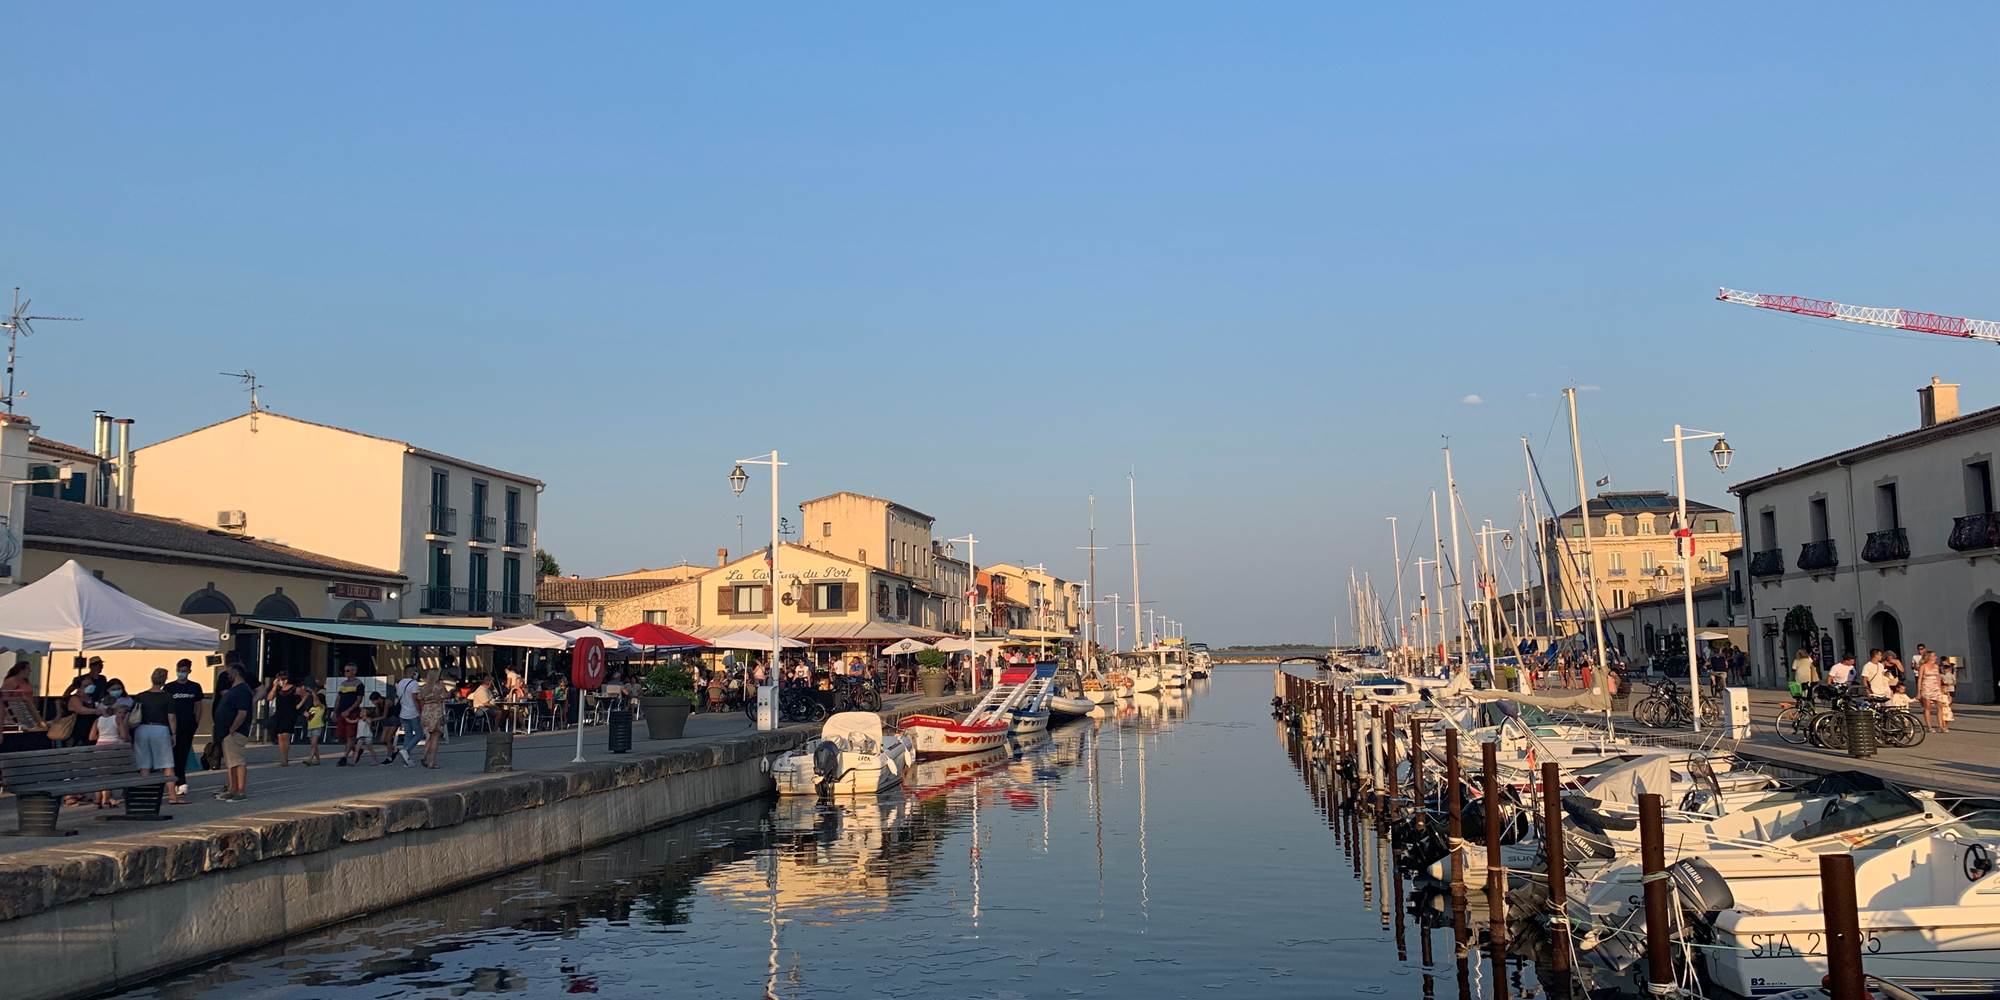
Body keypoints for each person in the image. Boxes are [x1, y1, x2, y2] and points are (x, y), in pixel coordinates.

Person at [134, 668, 185, 805]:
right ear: (164, 680)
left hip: (142, 729)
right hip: (160, 729)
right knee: (167, 765)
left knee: (144, 765)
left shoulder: (141, 696)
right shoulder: (167, 697)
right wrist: (173, 733)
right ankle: (172, 796)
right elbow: (171, 716)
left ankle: (146, 795)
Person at [164, 659, 205, 796]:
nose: (181, 673)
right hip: (172, 726)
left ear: (189, 671)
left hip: (188, 725)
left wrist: (196, 723)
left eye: (184, 670)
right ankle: (176, 781)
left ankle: (180, 781)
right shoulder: (169, 687)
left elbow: (199, 706)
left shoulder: (195, 687)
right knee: (173, 755)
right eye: (179, 670)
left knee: (183, 754)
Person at [214, 666, 256, 801]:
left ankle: (240, 791)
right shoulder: (235, 690)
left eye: (229, 673)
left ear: (236, 673)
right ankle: (232, 788)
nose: (227, 676)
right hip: (227, 732)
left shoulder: (242, 690)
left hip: (235, 732)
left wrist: (233, 728)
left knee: (238, 761)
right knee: (231, 762)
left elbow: (242, 712)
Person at [384, 667, 419, 765]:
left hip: (403, 712)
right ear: (412, 673)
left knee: (408, 734)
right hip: (412, 712)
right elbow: (415, 699)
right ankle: (406, 750)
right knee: (419, 734)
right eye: (415, 671)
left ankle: (406, 760)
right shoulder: (414, 683)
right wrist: (419, 711)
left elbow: (398, 697)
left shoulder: (400, 683)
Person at [333, 663, 366, 766]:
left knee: (350, 735)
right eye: (345, 670)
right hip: (341, 712)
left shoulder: (359, 684)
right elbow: (338, 698)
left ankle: (344, 757)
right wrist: (335, 711)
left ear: (354, 671)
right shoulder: (343, 684)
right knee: (341, 735)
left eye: (348, 670)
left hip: (352, 712)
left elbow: (359, 700)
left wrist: (349, 710)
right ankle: (356, 749)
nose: (345, 672)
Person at [268, 673, 304, 766]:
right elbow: (269, 698)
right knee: (280, 736)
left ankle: (286, 758)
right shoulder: (278, 689)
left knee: (286, 736)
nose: (278, 681)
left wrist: (299, 705)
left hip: (290, 714)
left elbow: (305, 695)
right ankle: (282, 758)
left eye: (279, 680)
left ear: (285, 680)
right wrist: (274, 686)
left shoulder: (294, 689)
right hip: (279, 714)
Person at [418, 669, 448, 769]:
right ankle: (432, 762)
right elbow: (445, 696)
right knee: (435, 738)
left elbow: (420, 698)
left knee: (429, 737)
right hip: (436, 712)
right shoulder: (439, 687)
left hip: (426, 712)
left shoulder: (423, 688)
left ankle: (424, 756)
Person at [1916, 651, 1944, 732]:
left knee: (1940, 706)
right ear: (1929, 657)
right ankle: (1929, 726)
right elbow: (1920, 679)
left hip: (1935, 688)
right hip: (1926, 687)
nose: (1935, 657)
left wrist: (1940, 688)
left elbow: (1938, 677)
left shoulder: (1936, 666)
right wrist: (1918, 691)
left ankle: (1941, 726)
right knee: (1928, 707)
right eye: (1934, 656)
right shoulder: (1923, 666)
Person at [303, 688, 327, 765]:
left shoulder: (322, 707)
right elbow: (308, 717)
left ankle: (310, 759)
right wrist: (306, 715)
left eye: (316, 700)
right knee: (313, 745)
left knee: (314, 743)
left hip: (317, 727)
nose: (314, 702)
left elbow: (316, 699)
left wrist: (313, 692)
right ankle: (318, 760)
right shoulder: (311, 708)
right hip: (310, 727)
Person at [1939, 655, 1959, 733]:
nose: (1946, 669)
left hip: (1951, 688)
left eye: (1947, 667)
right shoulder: (1941, 675)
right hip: (1944, 689)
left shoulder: (1951, 675)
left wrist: (1951, 683)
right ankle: (1946, 710)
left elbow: (1955, 682)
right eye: (1945, 668)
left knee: (1950, 699)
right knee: (1946, 699)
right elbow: (1940, 682)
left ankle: (1949, 708)